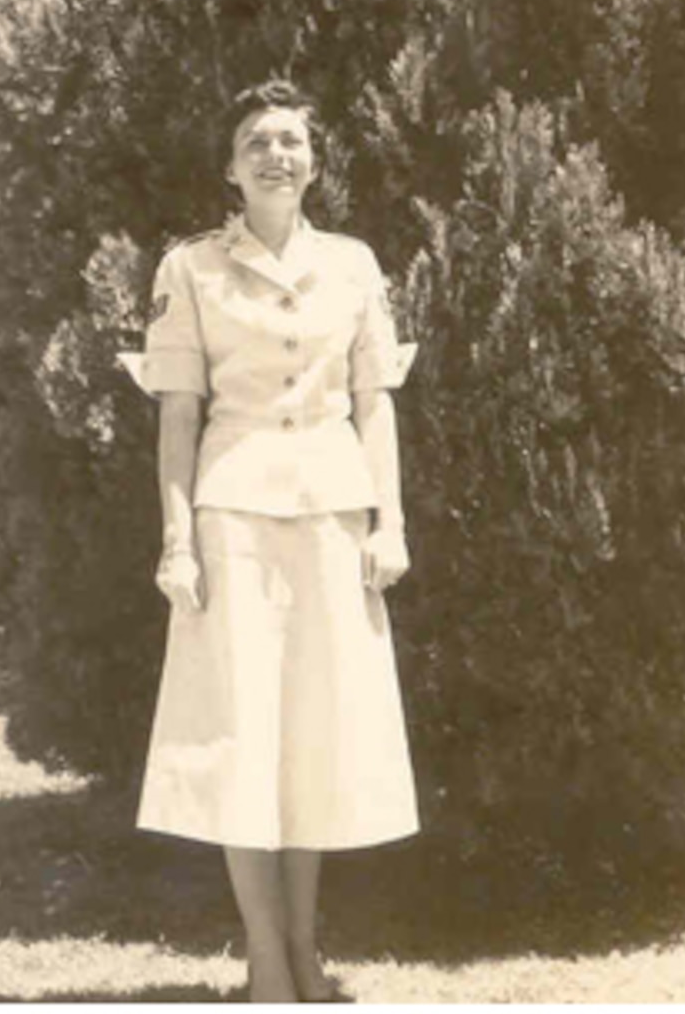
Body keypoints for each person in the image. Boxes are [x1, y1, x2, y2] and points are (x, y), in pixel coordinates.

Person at [129, 79, 417, 1003]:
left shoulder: (355, 265)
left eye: (291, 139)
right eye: (256, 140)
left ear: (314, 160)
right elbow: (178, 419)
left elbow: (375, 406)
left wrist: (390, 522)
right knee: (242, 737)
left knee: (314, 741)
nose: (275, 154)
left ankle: (304, 946)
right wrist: (178, 542)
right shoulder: (191, 271)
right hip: (234, 517)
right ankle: (263, 954)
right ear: (230, 167)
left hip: (334, 516)